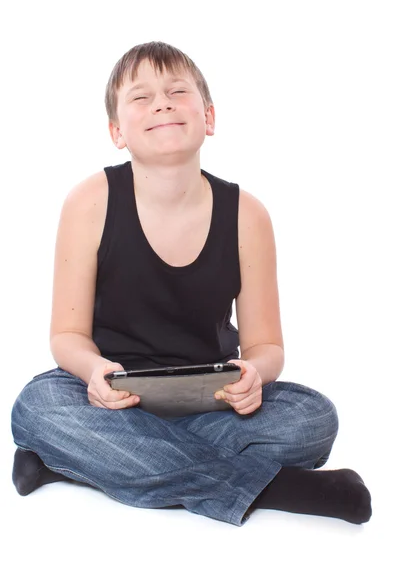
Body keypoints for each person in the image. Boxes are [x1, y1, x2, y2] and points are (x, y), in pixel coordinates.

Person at [11, 41, 372, 527]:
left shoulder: (247, 214)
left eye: (177, 91)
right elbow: (66, 337)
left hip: (212, 401)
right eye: (141, 97)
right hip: (110, 399)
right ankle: (278, 489)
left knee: (313, 419)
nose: (161, 102)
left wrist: (254, 375)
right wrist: (95, 372)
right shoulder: (90, 200)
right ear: (117, 132)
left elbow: (266, 345)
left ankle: (80, 463)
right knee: (36, 408)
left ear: (209, 116)